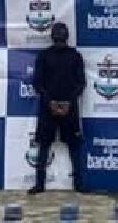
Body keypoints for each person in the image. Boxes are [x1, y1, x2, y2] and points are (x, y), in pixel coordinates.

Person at [28, 21, 87, 194]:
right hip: (50, 108)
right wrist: (52, 102)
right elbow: (37, 83)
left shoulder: (75, 56)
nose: (60, 39)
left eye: (61, 36)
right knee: (44, 145)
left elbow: (81, 83)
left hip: (67, 108)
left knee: (73, 145)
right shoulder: (44, 56)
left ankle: (78, 184)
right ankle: (40, 184)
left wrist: (67, 102)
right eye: (58, 36)